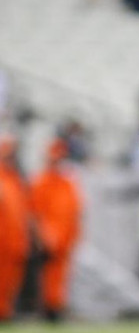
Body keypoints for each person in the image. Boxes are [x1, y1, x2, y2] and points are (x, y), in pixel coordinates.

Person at [30, 138, 82, 322]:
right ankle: (47, 309)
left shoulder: (67, 182)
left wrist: (74, 235)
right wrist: (40, 238)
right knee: (47, 277)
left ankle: (56, 307)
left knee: (61, 277)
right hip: (49, 240)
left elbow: (75, 212)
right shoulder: (41, 182)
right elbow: (34, 214)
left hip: (65, 240)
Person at [0, 134, 30, 322]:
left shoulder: (16, 180)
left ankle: (6, 312)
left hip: (16, 241)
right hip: (3, 240)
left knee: (11, 281)